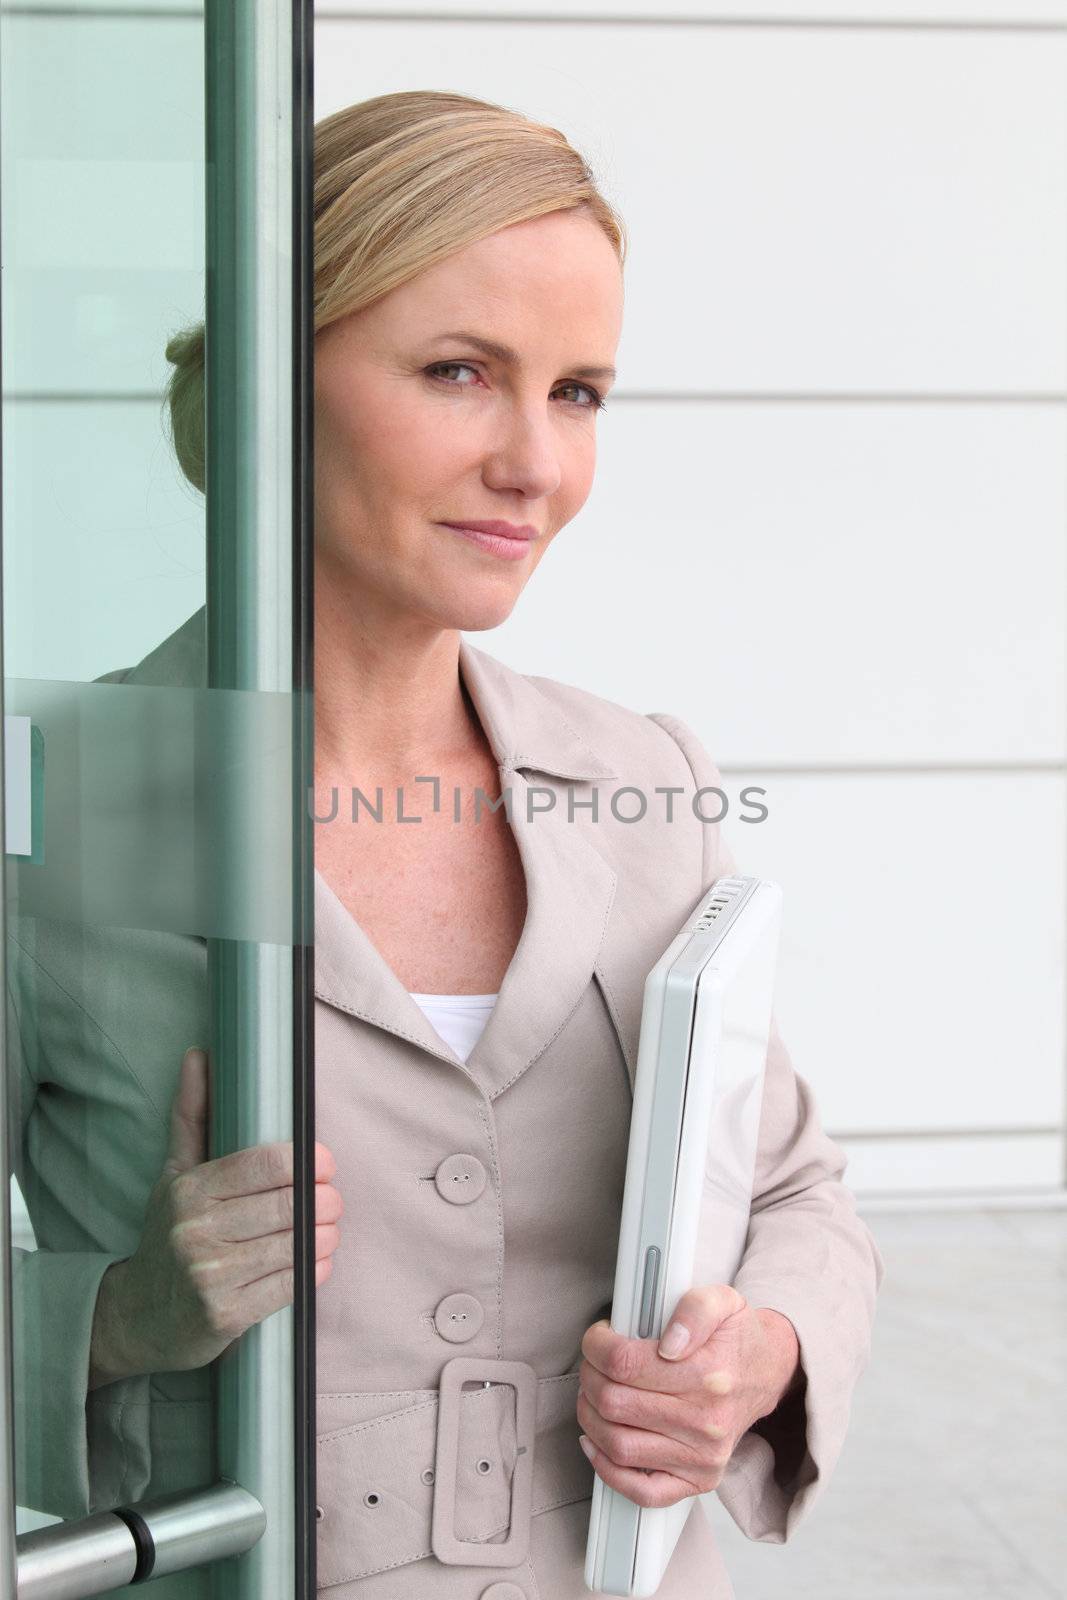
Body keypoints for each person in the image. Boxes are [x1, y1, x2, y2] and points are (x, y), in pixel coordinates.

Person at [8, 90, 884, 1598]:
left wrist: (759, 1356)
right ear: (274, 380)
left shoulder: (643, 773)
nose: (536, 466)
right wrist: (124, 1318)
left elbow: (794, 1190)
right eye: (462, 372)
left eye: (581, 393)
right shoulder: (45, 807)